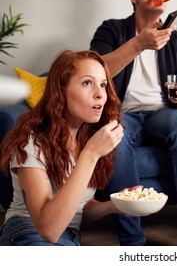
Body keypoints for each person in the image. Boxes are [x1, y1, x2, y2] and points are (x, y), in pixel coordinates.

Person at [89, 0, 177, 246]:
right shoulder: (111, 29)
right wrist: (138, 44)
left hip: (163, 113)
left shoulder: (176, 40)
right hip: (122, 112)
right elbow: (94, 72)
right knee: (114, 134)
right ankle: (133, 243)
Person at [0, 50, 124, 246]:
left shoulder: (88, 139)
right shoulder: (31, 141)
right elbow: (48, 228)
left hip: (69, 237)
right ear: (61, 90)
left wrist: (113, 206)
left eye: (103, 85)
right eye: (87, 83)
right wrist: (90, 154)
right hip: (28, 233)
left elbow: (79, 205)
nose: (100, 94)